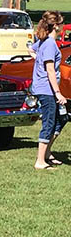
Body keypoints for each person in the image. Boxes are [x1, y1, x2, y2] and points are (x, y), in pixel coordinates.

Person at [29, 11, 67, 170]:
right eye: (62, 23)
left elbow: (30, 50)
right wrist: (58, 93)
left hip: (43, 87)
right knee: (49, 122)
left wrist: (37, 58)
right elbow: (50, 70)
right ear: (56, 26)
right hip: (47, 90)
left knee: (62, 118)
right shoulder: (50, 44)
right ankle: (40, 161)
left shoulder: (44, 41)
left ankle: (47, 153)